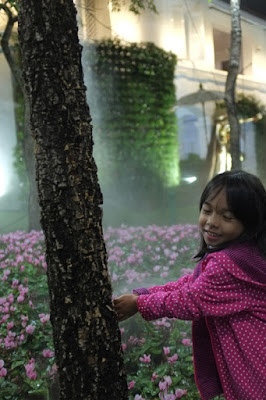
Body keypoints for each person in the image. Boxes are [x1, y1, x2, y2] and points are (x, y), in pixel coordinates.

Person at [113, 170, 266, 400]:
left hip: (255, 369)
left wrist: (140, 303)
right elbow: (191, 283)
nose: (212, 222)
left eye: (227, 217)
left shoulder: (227, 265)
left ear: (250, 222)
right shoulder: (245, 255)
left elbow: (191, 300)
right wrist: (143, 293)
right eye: (207, 210)